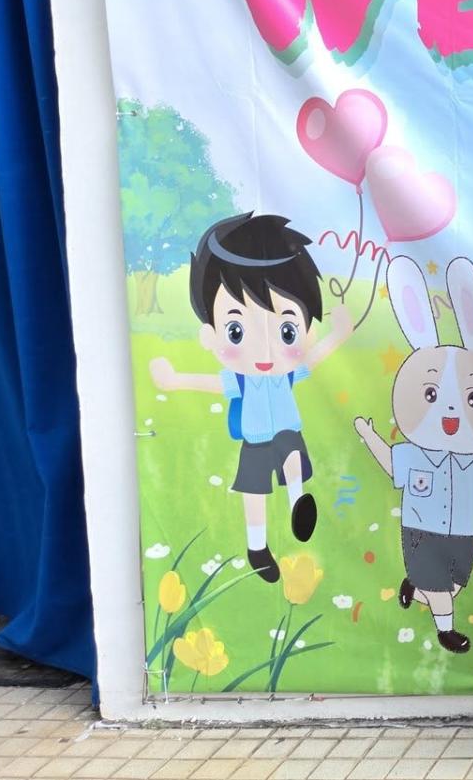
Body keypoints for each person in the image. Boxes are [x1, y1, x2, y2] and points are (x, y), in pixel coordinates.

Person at [150, 212, 352, 583]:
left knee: (293, 457)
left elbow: (314, 359)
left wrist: (338, 335)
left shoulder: (287, 374)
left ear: (306, 331)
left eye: (287, 331)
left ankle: (298, 502)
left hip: (287, 433)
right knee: (254, 494)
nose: (264, 349)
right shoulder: (240, 381)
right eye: (236, 331)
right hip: (255, 442)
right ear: (210, 335)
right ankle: (257, 547)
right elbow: (210, 383)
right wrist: (175, 380)